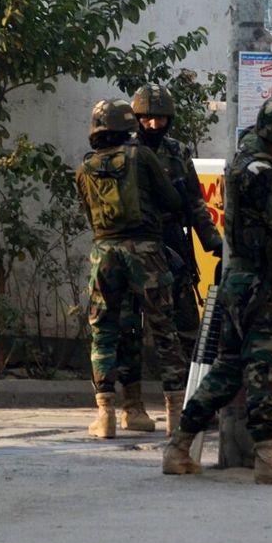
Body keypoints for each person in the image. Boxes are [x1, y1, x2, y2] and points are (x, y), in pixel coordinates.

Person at [162, 93, 272, 483]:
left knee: (228, 369)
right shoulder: (259, 172)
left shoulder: (251, 152)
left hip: (242, 280)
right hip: (259, 284)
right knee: (267, 367)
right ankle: (267, 454)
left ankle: (179, 445)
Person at [114, 83, 223, 436]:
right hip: (131, 246)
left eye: (160, 118)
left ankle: (194, 403)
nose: (153, 125)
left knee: (187, 327)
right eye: (146, 118)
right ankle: (132, 407)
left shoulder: (177, 152)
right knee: (128, 330)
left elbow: (194, 202)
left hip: (172, 246)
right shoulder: (123, 151)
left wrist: (213, 243)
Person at [74, 99, 182, 438]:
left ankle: (105, 415)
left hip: (104, 254)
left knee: (104, 333)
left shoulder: (85, 167)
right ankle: (176, 416)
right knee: (164, 330)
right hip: (146, 252)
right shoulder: (142, 157)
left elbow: (89, 215)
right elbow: (172, 201)